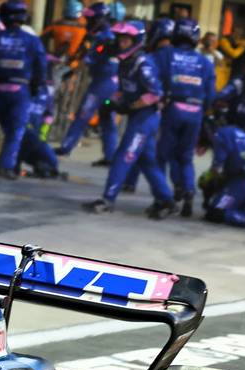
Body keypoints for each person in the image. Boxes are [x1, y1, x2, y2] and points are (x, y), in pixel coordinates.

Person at [82, 19, 176, 218]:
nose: (122, 43)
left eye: (127, 40)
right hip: (139, 117)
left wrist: (129, 106)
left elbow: (155, 94)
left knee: (123, 155)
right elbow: (126, 89)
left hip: (145, 118)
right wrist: (114, 101)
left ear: (136, 40)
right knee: (147, 161)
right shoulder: (126, 62)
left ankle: (108, 199)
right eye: (120, 39)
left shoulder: (142, 63)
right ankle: (166, 199)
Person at [153, 18, 214, 217]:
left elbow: (153, 78)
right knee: (185, 157)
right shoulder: (205, 62)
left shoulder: (166, 54)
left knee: (163, 155)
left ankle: (162, 198)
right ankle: (187, 192)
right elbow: (210, 93)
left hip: (173, 108)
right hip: (195, 112)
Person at [55, 2, 117, 162]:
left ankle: (66, 147)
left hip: (101, 84)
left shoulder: (103, 38)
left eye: (91, 19)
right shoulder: (110, 36)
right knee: (107, 120)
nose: (87, 22)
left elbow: (91, 59)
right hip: (112, 84)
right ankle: (110, 156)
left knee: (83, 115)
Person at [0, 1, 46, 179]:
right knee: (16, 130)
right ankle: (7, 166)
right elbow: (41, 68)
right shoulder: (32, 40)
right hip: (19, 90)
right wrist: (36, 87)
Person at [202, 123, 245, 228]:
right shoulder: (239, 132)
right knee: (232, 209)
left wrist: (207, 182)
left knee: (215, 213)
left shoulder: (219, 136)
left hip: (242, 183)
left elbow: (216, 169)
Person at [19, 76, 61, 177]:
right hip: (23, 131)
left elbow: (49, 115)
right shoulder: (24, 89)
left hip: (34, 136)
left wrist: (42, 136)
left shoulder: (46, 92)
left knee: (50, 160)